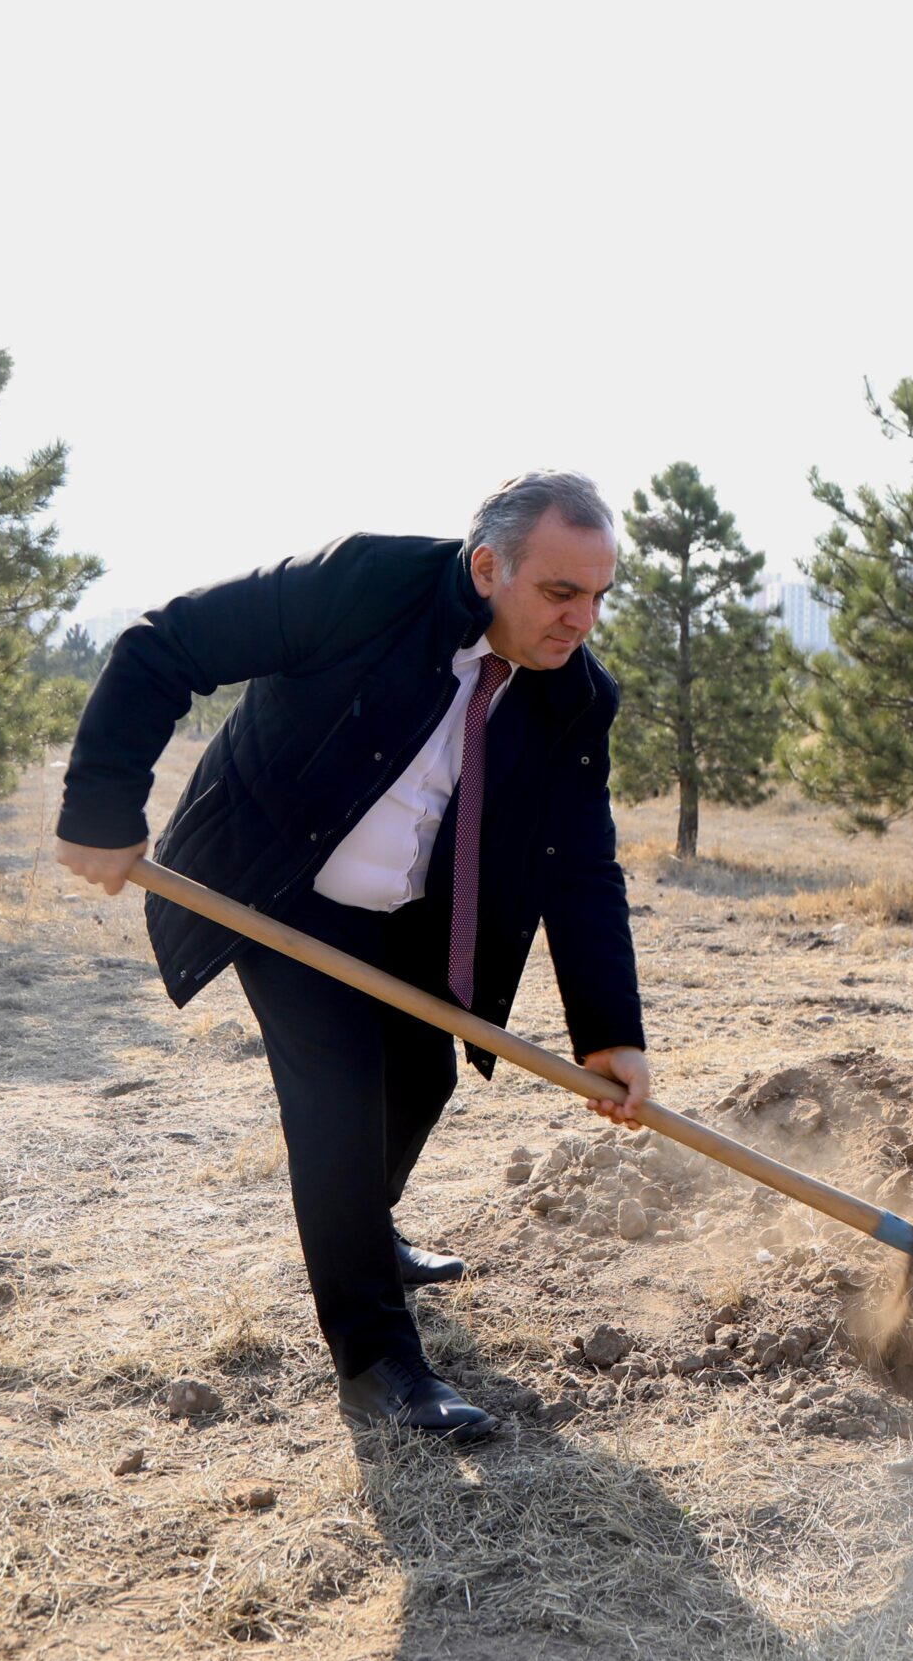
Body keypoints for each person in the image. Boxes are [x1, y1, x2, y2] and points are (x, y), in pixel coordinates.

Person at [55, 471, 651, 1440]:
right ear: (488, 565)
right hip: (277, 885)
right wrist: (100, 805)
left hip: (411, 912)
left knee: (418, 1077)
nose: (583, 619)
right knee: (338, 1095)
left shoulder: (575, 700)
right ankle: (376, 1362)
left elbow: (582, 866)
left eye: (599, 596)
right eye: (559, 593)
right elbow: (167, 645)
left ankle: (358, 1234)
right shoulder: (364, 585)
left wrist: (610, 1035)